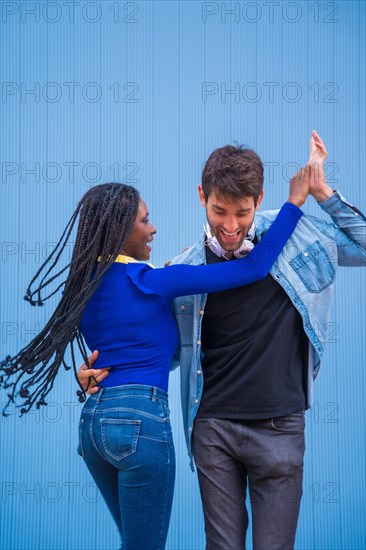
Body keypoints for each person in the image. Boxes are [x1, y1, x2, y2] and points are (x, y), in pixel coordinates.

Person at [80, 131, 366, 550]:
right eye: (219, 211)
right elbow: (164, 348)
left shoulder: (295, 238)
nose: (230, 226)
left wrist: (321, 192)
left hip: (280, 425)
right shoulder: (182, 267)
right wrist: (102, 376)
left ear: (259, 199)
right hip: (213, 429)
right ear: (202, 196)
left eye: (242, 213)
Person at [0, 175, 308, 550]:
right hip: (140, 424)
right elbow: (253, 268)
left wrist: (87, 378)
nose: (154, 228)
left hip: (93, 424)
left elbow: (113, 351)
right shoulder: (153, 281)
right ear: (120, 229)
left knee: (134, 543)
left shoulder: (82, 290)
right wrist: (294, 203)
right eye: (145, 220)